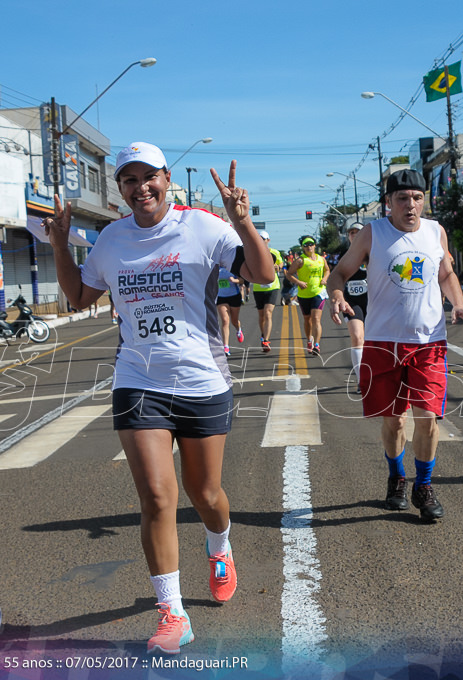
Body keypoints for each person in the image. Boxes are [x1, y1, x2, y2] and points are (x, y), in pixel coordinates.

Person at [43, 143, 274, 654]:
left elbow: (263, 276)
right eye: (129, 180)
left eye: (150, 176)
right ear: (120, 189)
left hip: (201, 380)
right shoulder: (110, 239)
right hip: (137, 379)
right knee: (155, 495)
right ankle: (172, 612)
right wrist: (61, 246)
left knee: (205, 494)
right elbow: (79, 299)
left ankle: (220, 547)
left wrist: (242, 222)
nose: (140, 187)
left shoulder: (204, 227)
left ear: (167, 178)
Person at [328, 169, 463, 521]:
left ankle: (423, 486)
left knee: (427, 419)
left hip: (428, 343)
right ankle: (397, 476)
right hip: (383, 343)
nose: (410, 205)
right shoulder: (373, 233)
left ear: (424, 200)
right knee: (395, 422)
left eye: (416, 198)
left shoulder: (435, 231)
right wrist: (336, 294)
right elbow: (339, 273)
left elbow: (446, 274)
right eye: (402, 198)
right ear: (388, 203)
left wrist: (457, 303)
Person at [286, 236, 329, 356]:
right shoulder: (300, 260)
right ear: (303, 247)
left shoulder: (321, 259)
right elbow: (289, 274)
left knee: (316, 319)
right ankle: (309, 339)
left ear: (315, 245)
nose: (309, 247)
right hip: (304, 294)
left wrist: (325, 279)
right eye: (306, 245)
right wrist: (298, 282)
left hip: (318, 293)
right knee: (307, 320)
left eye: (311, 244)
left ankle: (316, 344)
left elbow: (327, 270)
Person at [341, 223, 368, 391]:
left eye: (359, 232)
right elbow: (335, 278)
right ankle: (362, 381)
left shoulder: (376, 253)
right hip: (352, 302)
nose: (355, 235)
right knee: (357, 337)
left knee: (374, 342)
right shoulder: (344, 256)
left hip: (375, 302)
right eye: (352, 232)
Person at [251, 230, 282, 352]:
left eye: (263, 239)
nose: (261, 241)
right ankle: (263, 335)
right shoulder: (252, 253)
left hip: (272, 287)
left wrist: (277, 267)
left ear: (268, 240)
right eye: (259, 239)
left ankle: (266, 340)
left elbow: (280, 265)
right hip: (258, 287)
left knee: (268, 312)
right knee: (261, 315)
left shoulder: (274, 252)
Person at [216, 265, 244, 356]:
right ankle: (226, 346)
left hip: (234, 296)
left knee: (234, 321)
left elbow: (242, 280)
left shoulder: (233, 266)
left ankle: (238, 329)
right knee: (225, 321)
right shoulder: (214, 267)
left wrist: (234, 280)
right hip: (221, 297)